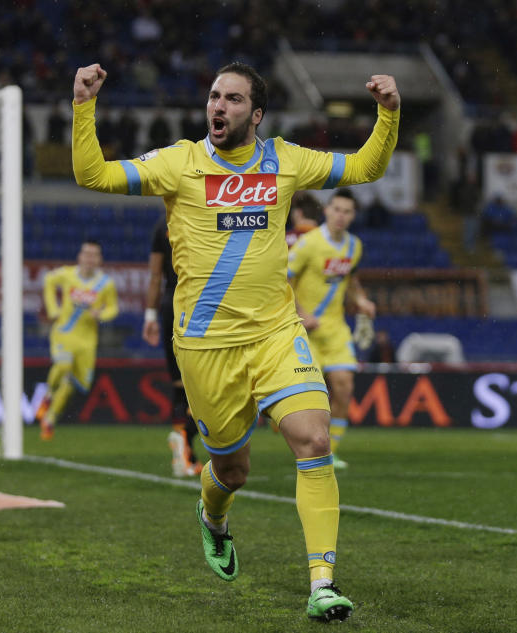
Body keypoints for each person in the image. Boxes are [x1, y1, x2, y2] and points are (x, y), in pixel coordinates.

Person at [72, 60, 400, 622]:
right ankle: (213, 515)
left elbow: (367, 166)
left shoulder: (286, 160)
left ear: (257, 113)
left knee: (314, 441)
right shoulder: (179, 163)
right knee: (233, 470)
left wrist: (388, 113)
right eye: (213, 97)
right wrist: (83, 106)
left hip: (276, 333)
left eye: (232, 99)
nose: (218, 106)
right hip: (205, 346)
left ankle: (322, 582)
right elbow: (93, 175)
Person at [288, 189, 376, 470]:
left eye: (347, 212)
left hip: (336, 330)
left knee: (344, 386)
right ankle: (309, 445)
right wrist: (302, 313)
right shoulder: (307, 245)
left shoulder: (354, 246)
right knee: (312, 397)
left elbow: (349, 281)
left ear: (353, 216)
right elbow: (282, 281)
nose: (341, 216)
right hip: (306, 332)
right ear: (326, 210)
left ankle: (330, 452)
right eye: (336, 209)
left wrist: (361, 301)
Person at [35, 241, 118, 440]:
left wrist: (101, 314)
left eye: (94, 255)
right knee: (63, 366)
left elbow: (113, 308)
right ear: (79, 257)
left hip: (87, 342)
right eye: (86, 254)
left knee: (73, 384)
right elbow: (48, 280)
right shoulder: (66, 274)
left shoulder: (106, 284)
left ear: (99, 259)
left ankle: (50, 419)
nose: (89, 258)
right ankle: (46, 398)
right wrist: (52, 309)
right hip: (64, 332)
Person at [143, 214, 203, 477]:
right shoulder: (201, 213)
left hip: (170, 305)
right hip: (199, 304)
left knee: (180, 387)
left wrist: (150, 316)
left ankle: (184, 454)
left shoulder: (161, 225)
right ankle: (186, 434)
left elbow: (156, 276)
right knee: (207, 384)